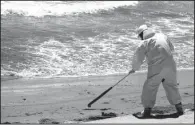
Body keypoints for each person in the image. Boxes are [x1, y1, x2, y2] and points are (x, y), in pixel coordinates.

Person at [129, 24, 184, 118]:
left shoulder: (144, 43)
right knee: (172, 86)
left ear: (142, 35)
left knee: (149, 88)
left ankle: (147, 112)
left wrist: (134, 69)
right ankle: (179, 109)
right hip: (170, 65)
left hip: (156, 68)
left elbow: (138, 59)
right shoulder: (162, 35)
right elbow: (171, 48)